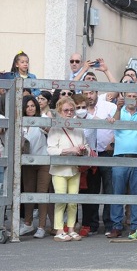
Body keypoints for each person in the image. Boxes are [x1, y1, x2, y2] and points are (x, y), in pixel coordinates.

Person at [107, 91, 137, 238]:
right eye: (129, 96)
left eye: (134, 96)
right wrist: (118, 108)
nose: (131, 99)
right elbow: (113, 123)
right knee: (117, 193)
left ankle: (135, 226)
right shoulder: (119, 111)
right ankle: (116, 226)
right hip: (120, 157)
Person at [47, 97, 91, 242]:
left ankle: (71, 229)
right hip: (59, 170)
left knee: (73, 201)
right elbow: (51, 150)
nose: (69, 113)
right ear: (59, 111)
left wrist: (84, 150)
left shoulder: (79, 128)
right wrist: (70, 150)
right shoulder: (55, 128)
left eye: (72, 110)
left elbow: (87, 147)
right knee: (61, 200)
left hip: (74, 169)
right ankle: (59, 229)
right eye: (66, 110)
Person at [84, 88, 117, 235]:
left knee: (109, 189)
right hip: (89, 155)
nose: (89, 96)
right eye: (85, 93)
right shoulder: (78, 110)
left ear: (97, 93)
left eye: (91, 93)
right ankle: (91, 225)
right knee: (91, 190)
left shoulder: (109, 107)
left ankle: (109, 224)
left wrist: (113, 141)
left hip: (107, 153)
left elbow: (117, 125)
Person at [20, 96, 52, 238]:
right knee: (28, 194)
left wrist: (44, 126)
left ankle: (41, 226)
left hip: (43, 161)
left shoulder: (43, 117)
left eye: (33, 105)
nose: (31, 108)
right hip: (27, 162)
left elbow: (48, 129)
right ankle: (28, 223)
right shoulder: (20, 121)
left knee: (42, 194)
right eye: (27, 106)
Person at [72, 94, 98, 237]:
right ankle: (72, 223)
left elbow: (106, 122)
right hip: (74, 161)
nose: (81, 110)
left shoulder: (93, 120)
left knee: (89, 195)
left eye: (83, 107)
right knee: (74, 194)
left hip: (90, 163)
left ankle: (89, 224)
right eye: (78, 107)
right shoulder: (70, 121)